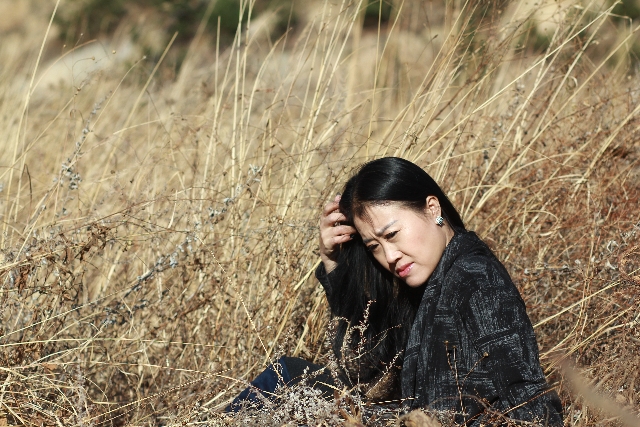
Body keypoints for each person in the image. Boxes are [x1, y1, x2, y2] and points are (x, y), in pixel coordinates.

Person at [229, 157, 563, 426]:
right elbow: (362, 368)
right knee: (287, 376)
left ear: (432, 208)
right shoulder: (432, 282)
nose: (389, 256)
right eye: (374, 246)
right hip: (399, 418)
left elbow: (529, 398)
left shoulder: (474, 277)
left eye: (392, 234)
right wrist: (334, 263)